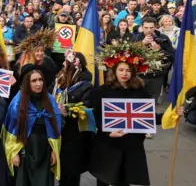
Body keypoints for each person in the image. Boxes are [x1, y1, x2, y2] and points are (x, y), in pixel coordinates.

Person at [88, 42, 160, 186]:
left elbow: (148, 115)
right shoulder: (103, 90)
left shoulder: (140, 91)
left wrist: (170, 116)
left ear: (133, 72)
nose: (124, 73)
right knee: (103, 179)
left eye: (128, 70)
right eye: (121, 70)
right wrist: (107, 132)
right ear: (114, 71)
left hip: (130, 144)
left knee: (123, 180)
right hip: (108, 143)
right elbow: (95, 115)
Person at [3, 64, 62, 186]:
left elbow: (56, 128)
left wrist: (54, 151)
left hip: (45, 151)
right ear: (27, 83)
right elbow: (11, 129)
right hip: (24, 149)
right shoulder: (18, 102)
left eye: (40, 80)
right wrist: (13, 152)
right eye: (34, 81)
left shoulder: (50, 100)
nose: (38, 84)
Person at [51, 50, 94, 186]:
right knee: (61, 168)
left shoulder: (86, 85)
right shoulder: (59, 80)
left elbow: (87, 107)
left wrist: (68, 111)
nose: (63, 64)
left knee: (72, 171)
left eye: (66, 63)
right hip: (58, 130)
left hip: (74, 133)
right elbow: (48, 93)